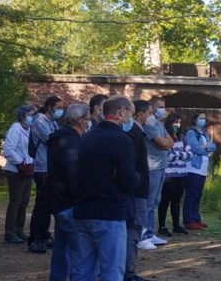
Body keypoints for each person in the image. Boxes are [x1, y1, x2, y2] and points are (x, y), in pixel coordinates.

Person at [71, 96, 139, 281]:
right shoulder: (121, 140)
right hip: (109, 212)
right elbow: (127, 179)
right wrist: (136, 178)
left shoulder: (87, 136)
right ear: (121, 112)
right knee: (112, 270)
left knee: (82, 270)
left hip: (84, 210)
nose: (131, 118)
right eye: (131, 113)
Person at [47, 104, 88, 281]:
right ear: (80, 121)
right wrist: (82, 197)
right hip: (70, 203)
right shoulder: (71, 141)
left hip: (59, 201)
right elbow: (73, 174)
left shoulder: (60, 138)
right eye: (87, 120)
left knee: (61, 249)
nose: (88, 124)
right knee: (79, 253)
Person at [28, 95, 64, 253]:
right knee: (41, 204)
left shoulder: (53, 122)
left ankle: (44, 234)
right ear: (50, 107)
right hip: (42, 167)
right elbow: (52, 140)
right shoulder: (40, 121)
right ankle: (35, 238)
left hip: (51, 167)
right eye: (58, 107)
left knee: (49, 203)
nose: (60, 111)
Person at [125, 100, 153, 280]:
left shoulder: (136, 133)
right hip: (137, 191)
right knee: (134, 230)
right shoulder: (134, 134)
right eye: (150, 112)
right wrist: (138, 183)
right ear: (139, 114)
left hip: (136, 188)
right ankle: (128, 270)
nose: (152, 116)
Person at [3, 104, 37, 244]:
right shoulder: (15, 129)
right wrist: (21, 162)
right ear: (23, 116)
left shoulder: (29, 129)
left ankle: (19, 230)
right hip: (16, 170)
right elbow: (8, 150)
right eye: (30, 115)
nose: (32, 118)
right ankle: (10, 232)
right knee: (15, 202)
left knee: (24, 202)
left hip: (27, 170)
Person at [143, 97, 173, 247]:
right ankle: (143, 236)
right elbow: (161, 142)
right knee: (148, 203)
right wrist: (164, 143)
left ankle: (150, 232)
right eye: (160, 106)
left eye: (164, 106)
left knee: (155, 202)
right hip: (152, 167)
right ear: (152, 108)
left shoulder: (160, 123)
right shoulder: (149, 123)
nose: (163, 109)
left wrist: (165, 143)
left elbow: (170, 141)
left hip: (161, 166)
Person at [158, 113, 192, 236]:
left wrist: (178, 155)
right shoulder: (165, 137)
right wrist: (181, 155)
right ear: (169, 123)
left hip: (182, 175)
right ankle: (162, 226)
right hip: (169, 176)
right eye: (175, 122)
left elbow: (189, 155)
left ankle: (176, 226)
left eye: (179, 122)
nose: (177, 125)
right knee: (165, 201)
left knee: (176, 201)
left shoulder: (182, 137)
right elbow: (168, 156)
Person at [183, 111, 216, 230]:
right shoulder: (191, 133)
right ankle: (188, 220)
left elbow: (213, 146)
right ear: (195, 120)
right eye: (201, 118)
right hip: (193, 169)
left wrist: (206, 147)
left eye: (205, 118)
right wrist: (206, 148)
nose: (203, 120)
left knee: (198, 195)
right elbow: (196, 149)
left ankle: (196, 219)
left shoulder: (203, 134)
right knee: (191, 195)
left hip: (202, 170)